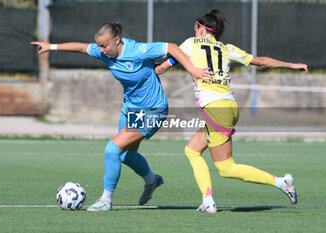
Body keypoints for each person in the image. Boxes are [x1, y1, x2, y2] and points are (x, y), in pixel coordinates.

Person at [31, 22, 212, 212]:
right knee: (125, 155)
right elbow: (83, 48)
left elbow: (172, 48)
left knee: (112, 150)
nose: (101, 50)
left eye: (104, 46)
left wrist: (192, 70)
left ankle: (105, 200)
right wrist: (50, 46)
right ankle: (152, 180)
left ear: (117, 40)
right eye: (99, 46)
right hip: (130, 109)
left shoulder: (138, 50)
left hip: (153, 109)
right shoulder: (103, 51)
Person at [155, 9, 308, 213]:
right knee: (192, 150)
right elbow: (262, 62)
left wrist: (137, 71)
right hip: (228, 106)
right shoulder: (227, 49)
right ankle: (207, 199)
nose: (195, 32)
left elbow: (162, 68)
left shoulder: (190, 43)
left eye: (196, 29)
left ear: (201, 30)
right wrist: (292, 65)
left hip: (216, 109)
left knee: (226, 168)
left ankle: (281, 182)